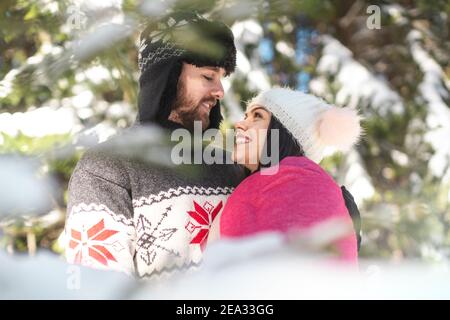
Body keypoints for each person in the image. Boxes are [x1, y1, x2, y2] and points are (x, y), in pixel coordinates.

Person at [64, 11, 245, 278]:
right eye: (208, 77)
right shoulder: (105, 168)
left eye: (221, 78)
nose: (220, 91)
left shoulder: (231, 169)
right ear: (167, 78)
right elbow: (100, 288)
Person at [220, 87, 362, 263]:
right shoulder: (288, 181)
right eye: (245, 116)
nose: (239, 124)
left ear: (284, 132)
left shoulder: (300, 183)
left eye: (258, 116)